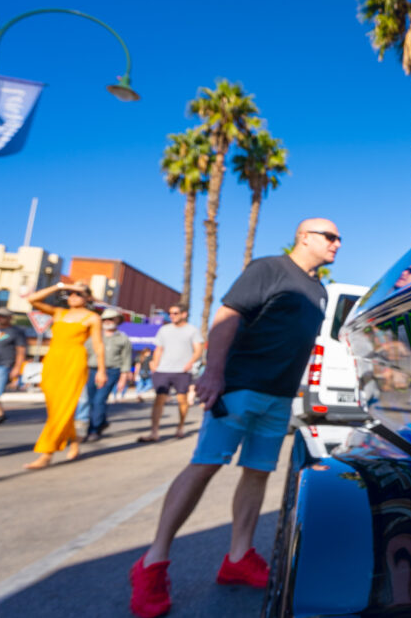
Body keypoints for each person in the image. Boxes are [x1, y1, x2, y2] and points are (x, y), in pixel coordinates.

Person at [129, 218, 339, 618]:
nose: (337, 243)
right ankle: (152, 562)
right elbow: (227, 316)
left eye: (339, 238)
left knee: (258, 472)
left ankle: (238, 558)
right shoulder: (269, 268)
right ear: (304, 237)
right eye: (329, 236)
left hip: (279, 397)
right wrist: (213, 373)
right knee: (205, 465)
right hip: (240, 387)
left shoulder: (319, 290)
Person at [23, 282, 105, 469]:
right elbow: (32, 300)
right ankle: (74, 440)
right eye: (70, 293)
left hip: (74, 362)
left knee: (64, 406)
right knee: (55, 407)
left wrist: (101, 370)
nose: (73, 297)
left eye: (78, 294)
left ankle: (47, 452)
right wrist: (59, 286)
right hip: (52, 361)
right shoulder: (59, 312)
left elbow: (98, 345)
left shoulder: (92, 318)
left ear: (88, 298)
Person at [139, 304, 203, 442]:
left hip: (182, 371)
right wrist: (155, 364)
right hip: (163, 370)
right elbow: (159, 349)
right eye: (170, 313)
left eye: (175, 313)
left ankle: (180, 427)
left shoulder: (192, 330)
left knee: (182, 400)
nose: (172, 316)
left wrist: (190, 362)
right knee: (159, 399)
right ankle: (154, 432)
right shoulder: (164, 329)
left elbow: (198, 349)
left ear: (184, 314)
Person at [83, 308, 132, 442]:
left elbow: (126, 359)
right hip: (92, 370)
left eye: (111, 319)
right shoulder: (94, 336)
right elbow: (84, 352)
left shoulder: (122, 339)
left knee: (99, 400)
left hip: (111, 371)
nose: (108, 321)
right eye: (105, 319)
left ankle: (93, 430)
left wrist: (123, 378)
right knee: (91, 400)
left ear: (117, 320)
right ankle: (102, 422)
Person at [0, 307, 26, 426]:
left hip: (4, 365)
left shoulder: (15, 332)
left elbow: (21, 351)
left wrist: (17, 367)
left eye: (3, 316)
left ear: (9, 318)